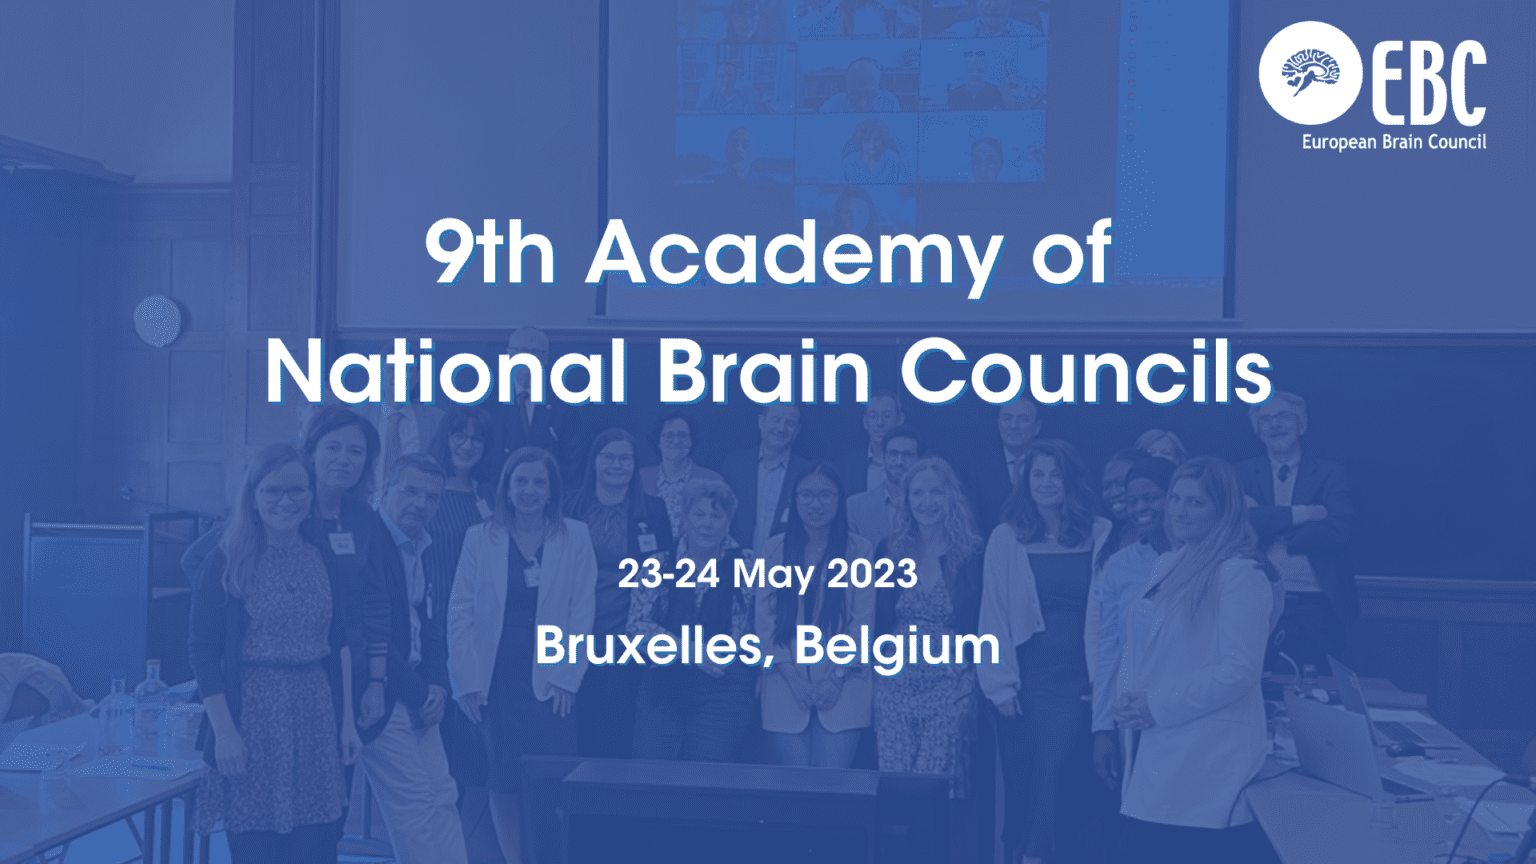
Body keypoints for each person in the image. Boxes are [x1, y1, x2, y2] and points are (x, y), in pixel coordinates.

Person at [188, 444, 364, 863]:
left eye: (297, 490)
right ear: (253, 497)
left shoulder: (322, 556)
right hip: (253, 718)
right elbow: (202, 651)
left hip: (316, 716)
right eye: (272, 491)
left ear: (311, 495)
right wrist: (225, 732)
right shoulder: (225, 559)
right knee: (258, 847)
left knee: (316, 846)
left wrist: (348, 724)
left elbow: (338, 643)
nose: (286, 501)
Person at [1111, 457, 1278, 863]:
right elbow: (1139, 642)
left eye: (1196, 503)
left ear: (1224, 511)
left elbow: (1240, 670)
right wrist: (1127, 697)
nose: (1179, 511)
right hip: (1154, 745)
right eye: (1175, 498)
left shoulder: (1241, 574)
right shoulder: (1168, 563)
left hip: (1205, 759)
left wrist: (1155, 705)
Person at [449, 447, 597, 864]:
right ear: (507, 488)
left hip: (552, 675)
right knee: (502, 777)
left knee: (553, 774)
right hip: (496, 674)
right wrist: (466, 679)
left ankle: (550, 855)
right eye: (521, 481)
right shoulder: (481, 536)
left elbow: (582, 610)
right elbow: (460, 610)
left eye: (539, 482)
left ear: (551, 490)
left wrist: (568, 676)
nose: (529, 490)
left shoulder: (574, 535)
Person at [978, 440, 1112, 864]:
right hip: (1029, 682)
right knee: (1033, 779)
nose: (1047, 482)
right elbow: (993, 613)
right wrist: (999, 685)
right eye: (1038, 474)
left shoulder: (1101, 532)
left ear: (1071, 479)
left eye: (1056, 474)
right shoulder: (1006, 537)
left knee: (1067, 779)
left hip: (1082, 679)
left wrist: (1107, 682)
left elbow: (1113, 614)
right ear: (1025, 480)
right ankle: (1032, 855)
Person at [362, 454, 467, 864]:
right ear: (386, 489)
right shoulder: (369, 541)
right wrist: (420, 693)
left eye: (431, 497)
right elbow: (371, 634)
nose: (420, 504)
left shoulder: (422, 544)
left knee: (443, 795)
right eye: (410, 491)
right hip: (379, 692)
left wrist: (437, 685)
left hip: (419, 686)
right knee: (416, 804)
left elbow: (428, 622)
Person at [873, 456, 983, 796]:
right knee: (895, 787)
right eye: (918, 493)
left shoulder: (972, 553)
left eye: (936, 492)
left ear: (952, 496)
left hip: (948, 688)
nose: (927, 502)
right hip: (894, 687)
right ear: (906, 499)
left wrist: (971, 679)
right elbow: (877, 618)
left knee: (933, 789)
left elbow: (983, 620)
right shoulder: (889, 550)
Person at [629, 479, 758, 762]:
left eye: (716, 516)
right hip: (664, 678)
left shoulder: (749, 564)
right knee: (650, 771)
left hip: (724, 682)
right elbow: (636, 628)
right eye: (699, 514)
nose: (707, 524)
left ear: (729, 521)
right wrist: (691, 652)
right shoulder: (658, 564)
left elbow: (753, 627)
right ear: (684, 518)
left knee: (707, 776)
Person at [757, 463, 876, 768]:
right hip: (785, 684)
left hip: (843, 685)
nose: (815, 504)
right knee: (795, 789)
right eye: (807, 495)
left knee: (832, 787)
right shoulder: (774, 549)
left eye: (825, 495)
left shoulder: (859, 550)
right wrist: (794, 679)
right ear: (794, 499)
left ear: (839, 499)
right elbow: (765, 622)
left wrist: (836, 677)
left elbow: (862, 622)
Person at [564, 428, 674, 757]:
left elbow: (664, 578)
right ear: (594, 461)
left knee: (614, 733)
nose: (616, 465)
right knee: (574, 731)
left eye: (625, 458)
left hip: (625, 639)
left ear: (635, 464)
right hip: (573, 636)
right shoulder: (570, 506)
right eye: (609, 457)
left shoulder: (653, 510)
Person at [1234, 392, 1357, 670]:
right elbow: (1238, 528)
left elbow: (1339, 531)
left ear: (1302, 424)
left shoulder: (1330, 473)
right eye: (1266, 419)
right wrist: (1305, 514)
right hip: (1255, 598)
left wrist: (1271, 524)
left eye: (1283, 416)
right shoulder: (1240, 474)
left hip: (1316, 604)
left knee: (1319, 682)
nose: (1275, 424)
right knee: (1256, 680)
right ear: (1257, 430)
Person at [303, 407, 393, 740]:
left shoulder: (363, 517)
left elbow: (376, 603)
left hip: (351, 671)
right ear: (312, 451)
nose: (344, 459)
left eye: (356, 451)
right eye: (333, 447)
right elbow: (197, 559)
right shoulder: (286, 506)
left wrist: (377, 681)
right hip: (293, 669)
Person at [421, 406, 497, 790]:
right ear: (446, 438)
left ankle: (458, 821)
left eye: (477, 439)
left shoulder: (489, 495)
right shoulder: (427, 490)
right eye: (460, 436)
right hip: (432, 624)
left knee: (465, 743)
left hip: (475, 629)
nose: (468, 446)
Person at [1090, 456, 1174, 794]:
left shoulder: (1205, 559)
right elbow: (1109, 650)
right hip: (1134, 717)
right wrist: (1102, 728)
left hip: (1189, 711)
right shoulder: (1119, 565)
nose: (1140, 508)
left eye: (1151, 498)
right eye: (1132, 500)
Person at [719, 404, 808, 552]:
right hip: (736, 559)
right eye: (775, 420)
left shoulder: (806, 472)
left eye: (790, 423)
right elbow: (718, 516)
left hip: (785, 562)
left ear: (797, 430)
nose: (781, 428)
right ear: (761, 422)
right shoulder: (733, 465)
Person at [639, 412, 725, 538]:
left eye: (682, 435)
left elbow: (720, 526)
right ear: (658, 442)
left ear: (691, 441)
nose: (676, 441)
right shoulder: (641, 478)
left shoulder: (712, 480)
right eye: (669, 436)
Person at [963, 394, 1041, 531]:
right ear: (999, 424)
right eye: (1007, 418)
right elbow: (972, 521)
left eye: (1023, 419)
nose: (1014, 426)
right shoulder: (979, 469)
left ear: (1037, 427)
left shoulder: (1050, 465)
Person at [496, 327, 569, 472]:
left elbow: (572, 458)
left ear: (546, 358)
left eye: (536, 352)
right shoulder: (489, 400)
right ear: (509, 354)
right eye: (523, 350)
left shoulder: (563, 404)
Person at [846, 426, 921, 548]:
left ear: (919, 459)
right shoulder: (855, 506)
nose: (899, 462)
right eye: (893, 453)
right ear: (883, 456)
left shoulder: (932, 505)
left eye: (907, 455)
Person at [837, 389, 905, 495]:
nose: (880, 422)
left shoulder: (917, 462)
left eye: (886, 416)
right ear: (865, 421)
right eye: (873, 416)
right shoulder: (845, 467)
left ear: (900, 419)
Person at [820, 58, 901, 113]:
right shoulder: (830, 107)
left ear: (878, 89)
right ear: (846, 88)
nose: (863, 103)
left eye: (868, 93)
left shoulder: (889, 104)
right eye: (855, 93)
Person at [842, 119, 905, 184]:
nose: (872, 145)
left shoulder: (894, 159)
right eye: (867, 140)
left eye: (877, 139)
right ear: (860, 141)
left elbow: (903, 184)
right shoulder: (848, 163)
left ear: (882, 140)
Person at [942, 0, 1046, 37]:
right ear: (975, 3)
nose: (993, 7)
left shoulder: (1031, 34)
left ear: (1011, 2)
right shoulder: (954, 34)